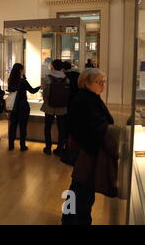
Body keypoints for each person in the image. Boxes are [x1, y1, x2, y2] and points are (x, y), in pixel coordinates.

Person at [61, 68, 113, 225]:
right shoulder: (85, 100)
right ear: (87, 83)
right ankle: (78, 220)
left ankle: (69, 218)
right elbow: (92, 127)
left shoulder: (88, 97)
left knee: (79, 188)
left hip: (86, 150)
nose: (103, 85)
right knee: (83, 191)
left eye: (104, 82)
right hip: (86, 151)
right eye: (99, 82)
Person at [7, 63, 41, 151]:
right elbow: (32, 91)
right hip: (22, 106)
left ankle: (11, 145)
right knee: (22, 126)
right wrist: (40, 87)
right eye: (22, 69)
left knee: (12, 126)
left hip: (13, 106)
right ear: (20, 70)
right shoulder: (22, 81)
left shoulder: (10, 80)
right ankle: (22, 145)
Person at [41, 59, 70, 156]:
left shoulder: (47, 78)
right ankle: (60, 149)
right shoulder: (66, 79)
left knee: (47, 127)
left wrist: (46, 101)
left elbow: (44, 93)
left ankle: (48, 148)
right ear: (62, 67)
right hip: (62, 107)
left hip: (49, 106)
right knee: (62, 128)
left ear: (52, 66)